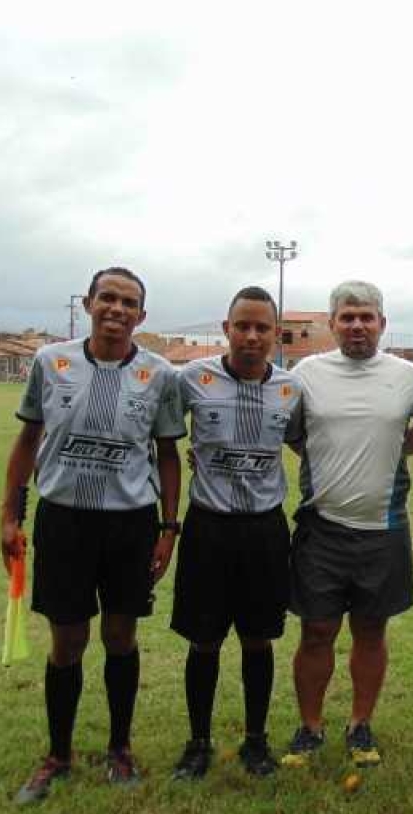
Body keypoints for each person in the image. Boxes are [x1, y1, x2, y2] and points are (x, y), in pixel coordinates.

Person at [1, 266, 185, 804]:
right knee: (68, 641)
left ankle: (119, 750)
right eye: (108, 298)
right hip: (64, 520)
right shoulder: (49, 362)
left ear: (142, 316)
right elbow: (27, 438)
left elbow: (169, 456)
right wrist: (10, 512)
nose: (117, 309)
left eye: (129, 303)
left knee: (121, 636)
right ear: (88, 303)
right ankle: (57, 755)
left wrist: (169, 528)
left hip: (129, 523)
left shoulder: (159, 376)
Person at [280, 280, 413, 769]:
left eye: (367, 317)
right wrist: (327, 462)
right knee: (316, 630)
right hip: (322, 527)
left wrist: (393, 450)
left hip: (383, 529)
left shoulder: (409, 376)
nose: (357, 325)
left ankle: (360, 723)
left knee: (370, 630)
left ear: (382, 323)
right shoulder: (306, 374)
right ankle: (310, 726)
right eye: (347, 317)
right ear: (331, 323)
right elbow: (293, 433)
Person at [169, 287, 302, 781]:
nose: (251, 335)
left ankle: (255, 741)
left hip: (265, 529)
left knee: (258, 640)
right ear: (226, 329)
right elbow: (160, 436)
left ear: (274, 333)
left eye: (261, 328)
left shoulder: (291, 390)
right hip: (208, 527)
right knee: (203, 641)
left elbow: (307, 443)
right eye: (242, 326)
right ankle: (198, 743)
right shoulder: (192, 379)